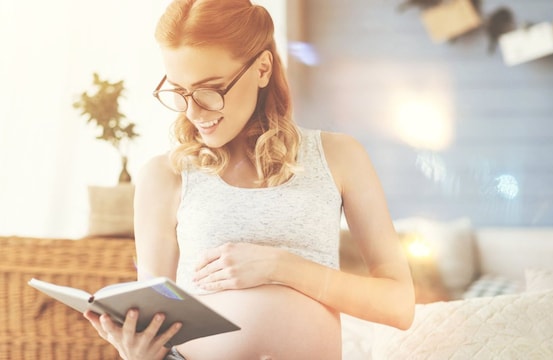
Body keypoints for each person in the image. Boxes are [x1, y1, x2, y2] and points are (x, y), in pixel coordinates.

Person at [84, 0, 415, 359]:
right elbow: (154, 325)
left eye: (210, 89)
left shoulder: (340, 157)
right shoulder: (164, 175)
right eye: (179, 91)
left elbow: (399, 305)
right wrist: (138, 353)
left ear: (262, 69)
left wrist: (282, 267)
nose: (194, 112)